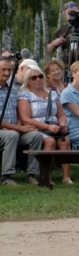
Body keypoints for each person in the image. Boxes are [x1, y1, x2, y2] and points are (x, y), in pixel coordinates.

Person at [17, 65, 74, 184]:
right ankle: (47, 176)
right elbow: (25, 119)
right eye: (34, 77)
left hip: (54, 127)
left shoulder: (52, 94)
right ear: (28, 80)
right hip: (36, 128)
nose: (38, 79)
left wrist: (62, 124)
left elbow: (61, 114)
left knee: (65, 141)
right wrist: (48, 127)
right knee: (50, 141)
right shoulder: (25, 95)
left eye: (40, 76)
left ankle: (66, 177)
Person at [0, 56, 43, 186]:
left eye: (9, 70)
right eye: (3, 70)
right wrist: (17, 129)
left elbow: (18, 113)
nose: (7, 73)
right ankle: (6, 176)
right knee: (12, 136)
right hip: (4, 131)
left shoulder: (13, 91)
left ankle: (31, 174)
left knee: (36, 135)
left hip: (13, 130)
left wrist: (17, 126)